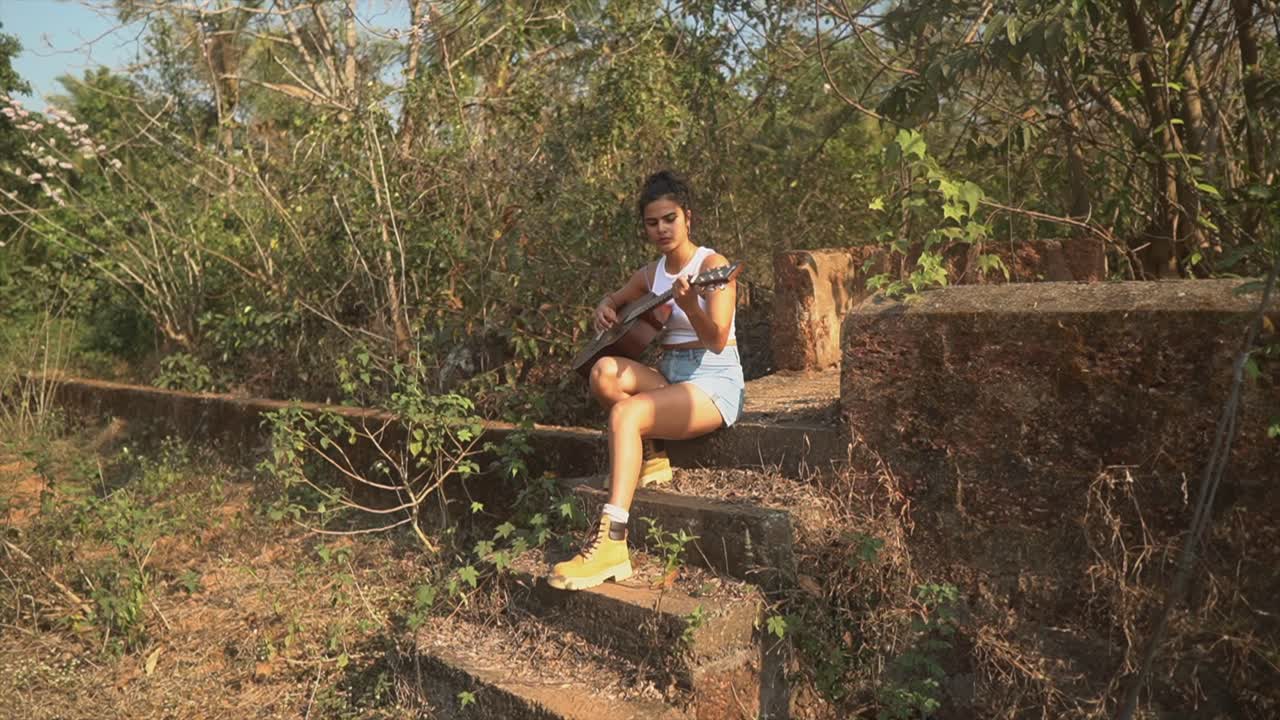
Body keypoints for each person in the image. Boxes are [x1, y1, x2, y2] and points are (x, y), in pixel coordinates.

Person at [548, 170, 745, 591]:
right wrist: (604, 308)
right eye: (652, 222)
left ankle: (612, 544)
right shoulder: (650, 274)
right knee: (603, 372)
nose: (661, 229)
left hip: (712, 383)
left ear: (687, 217)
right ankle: (653, 458)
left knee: (624, 412)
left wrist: (692, 306)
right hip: (671, 378)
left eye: (669, 219)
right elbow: (614, 300)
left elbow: (715, 340)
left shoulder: (713, 267)